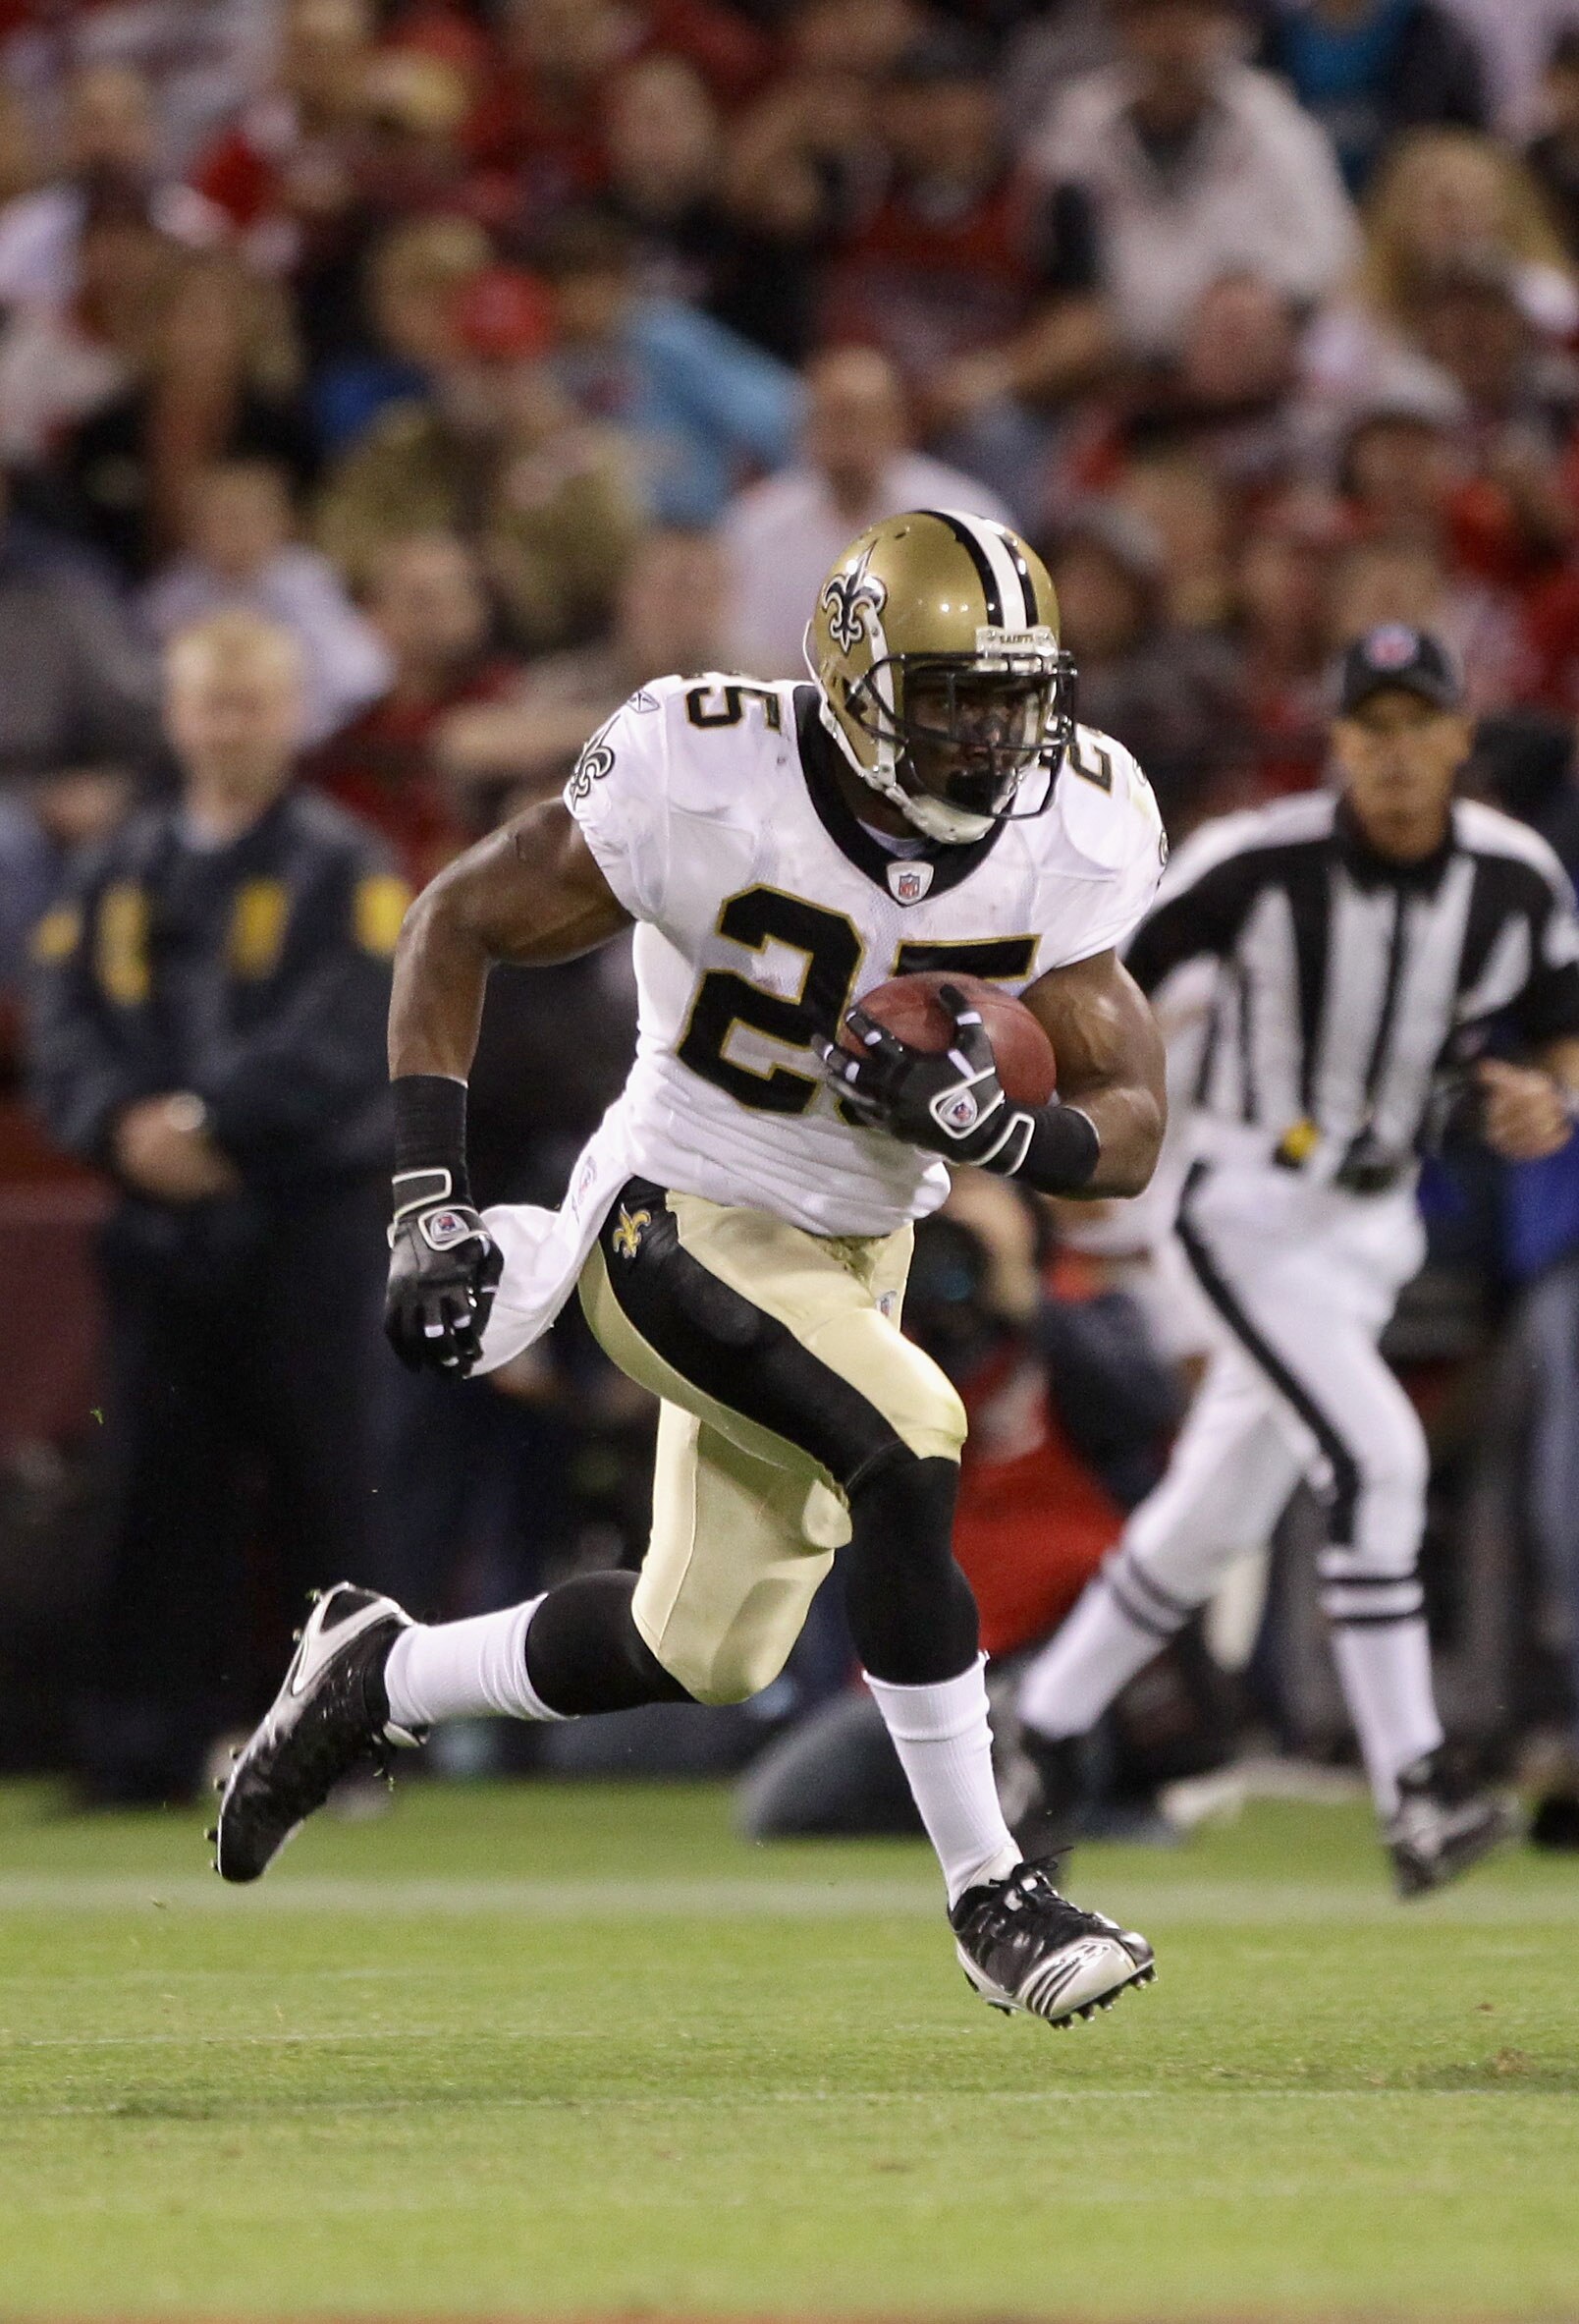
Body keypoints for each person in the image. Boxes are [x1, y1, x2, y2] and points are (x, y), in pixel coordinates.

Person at [215, 507, 1171, 2031]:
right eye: (952, 697)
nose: (993, 738)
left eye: (1013, 695)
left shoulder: (1079, 819)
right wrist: (424, 1201)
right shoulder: (706, 764)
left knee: (698, 1642)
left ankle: (375, 1673)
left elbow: (1125, 1129)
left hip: (860, 1247)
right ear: (857, 688)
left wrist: (1000, 1127)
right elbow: (455, 922)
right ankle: (994, 1889)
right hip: (680, 1205)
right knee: (912, 1445)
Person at [1013, 623, 1579, 1895]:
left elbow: (1557, 1031)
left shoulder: (1514, 877)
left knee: (1215, 1510)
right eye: (1368, 727)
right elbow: (1099, 987)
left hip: (1375, 1227)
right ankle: (1417, 1789)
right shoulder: (1253, 863)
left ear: (1458, 736)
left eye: (1414, 724)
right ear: (1337, 741)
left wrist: (1547, 1100)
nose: (1392, 752)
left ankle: (1044, 1723)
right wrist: (1090, 1148)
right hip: (1244, 1200)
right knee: (1374, 1455)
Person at [28, 612, 408, 1803]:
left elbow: (347, 1030)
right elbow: (63, 1024)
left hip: (305, 1218)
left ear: (291, 717)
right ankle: (137, 1746)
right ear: (178, 716)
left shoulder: (348, 864)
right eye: (209, 702)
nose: (228, 726)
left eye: (250, 703)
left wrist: (202, 1123)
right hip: (160, 1230)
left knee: (325, 1488)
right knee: (152, 1485)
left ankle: (336, 1744)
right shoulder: (117, 871)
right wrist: (116, 1126)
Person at [1028, 0, 1357, 361]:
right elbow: (1035, 245)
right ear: (1122, 26)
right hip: (1107, 364)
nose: (1173, 35)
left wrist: (1252, 290)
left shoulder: (1274, 122)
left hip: (1238, 367)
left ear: (1226, 24)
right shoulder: (1079, 119)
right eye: (1154, 16)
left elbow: (1332, 255)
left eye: (1193, 15)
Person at [719, 345, 1013, 680]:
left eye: (859, 416)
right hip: (796, 709)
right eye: (830, 417)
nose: (845, 434)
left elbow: (1002, 634)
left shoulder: (966, 517)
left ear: (898, 423)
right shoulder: (754, 524)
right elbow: (739, 650)